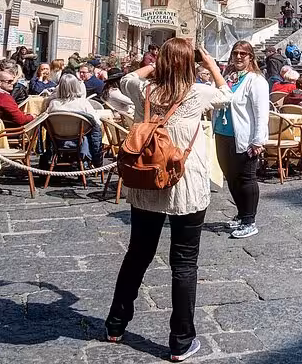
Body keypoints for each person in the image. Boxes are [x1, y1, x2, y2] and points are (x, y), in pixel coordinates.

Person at [106, 38, 229, 362]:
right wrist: (209, 63)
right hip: (184, 184)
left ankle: (116, 324)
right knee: (184, 263)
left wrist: (156, 62)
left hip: (147, 182)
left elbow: (128, 78)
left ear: (160, 63)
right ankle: (180, 341)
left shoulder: (143, 90)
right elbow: (227, 95)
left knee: (137, 255)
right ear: (191, 64)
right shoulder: (197, 93)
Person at [212, 41, 269, 240]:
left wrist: (258, 140)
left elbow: (262, 113)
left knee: (246, 178)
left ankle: (249, 220)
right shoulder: (228, 78)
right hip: (222, 133)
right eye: (235, 53)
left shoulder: (256, 81)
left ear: (250, 57)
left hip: (243, 136)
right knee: (231, 176)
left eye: (243, 54)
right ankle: (241, 212)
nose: (238, 57)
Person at [44, 73, 103, 167]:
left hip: (57, 139)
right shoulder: (83, 103)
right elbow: (96, 121)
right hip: (80, 138)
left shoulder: (54, 104)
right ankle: (92, 159)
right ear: (76, 87)